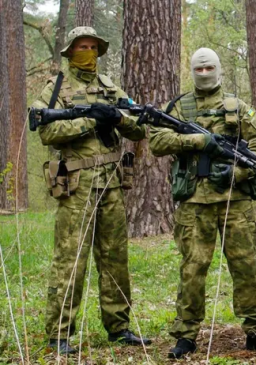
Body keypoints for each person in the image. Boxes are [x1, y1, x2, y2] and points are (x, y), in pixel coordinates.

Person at [148, 47, 256, 358]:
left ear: (218, 70)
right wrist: (194, 141)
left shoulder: (238, 108)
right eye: (200, 69)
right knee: (192, 269)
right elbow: (156, 140)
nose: (205, 74)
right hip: (194, 204)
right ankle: (186, 336)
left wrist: (238, 173)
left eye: (210, 69)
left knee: (246, 266)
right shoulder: (178, 108)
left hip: (234, 203)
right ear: (193, 72)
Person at [30, 26, 151, 354]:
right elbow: (46, 131)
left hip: (111, 183)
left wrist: (117, 119)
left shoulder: (110, 88)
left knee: (115, 258)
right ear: (70, 52)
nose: (88, 52)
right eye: (82, 47)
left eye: (93, 47)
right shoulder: (56, 87)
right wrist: (90, 122)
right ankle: (59, 334)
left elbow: (140, 128)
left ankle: (119, 327)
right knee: (71, 260)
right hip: (76, 186)